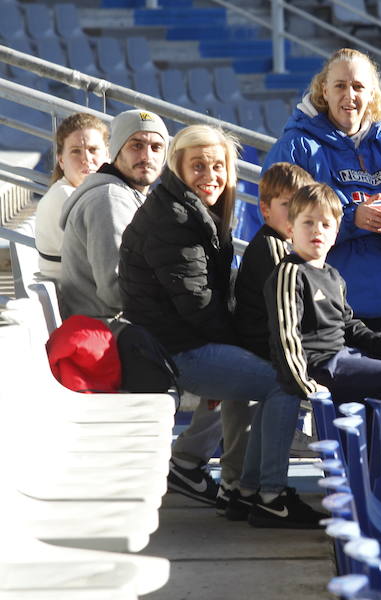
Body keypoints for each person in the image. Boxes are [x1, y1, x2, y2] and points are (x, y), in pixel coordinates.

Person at [117, 125, 275, 521]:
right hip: (174, 351)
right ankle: (260, 492)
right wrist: (240, 352)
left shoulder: (190, 208)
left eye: (218, 166)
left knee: (252, 374)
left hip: (178, 339)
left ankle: (233, 484)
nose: (210, 176)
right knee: (281, 382)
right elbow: (199, 306)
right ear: (178, 167)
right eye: (198, 166)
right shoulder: (173, 217)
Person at [258, 182, 381, 491]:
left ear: (336, 233)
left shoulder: (333, 275)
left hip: (341, 357)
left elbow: (350, 327)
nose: (316, 231)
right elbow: (285, 334)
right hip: (319, 366)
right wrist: (306, 384)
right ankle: (370, 462)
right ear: (291, 229)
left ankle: (379, 454)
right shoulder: (290, 272)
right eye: (307, 223)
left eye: (325, 224)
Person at [261, 48, 381, 334]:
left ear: (372, 94)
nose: (349, 95)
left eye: (358, 86)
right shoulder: (295, 146)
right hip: (322, 310)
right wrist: (351, 219)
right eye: (340, 85)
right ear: (323, 90)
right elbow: (280, 222)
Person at [59, 109, 167, 319]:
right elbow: (116, 292)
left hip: (129, 329)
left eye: (156, 147)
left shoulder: (126, 195)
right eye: (136, 145)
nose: (147, 156)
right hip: (114, 334)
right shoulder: (109, 200)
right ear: (116, 151)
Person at [234, 162, 313, 360]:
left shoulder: (289, 244)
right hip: (267, 350)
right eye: (287, 204)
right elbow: (289, 311)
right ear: (265, 208)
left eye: (300, 205)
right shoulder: (272, 247)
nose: (295, 213)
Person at [35, 112, 109, 281]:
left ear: (107, 155)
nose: (86, 159)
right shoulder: (64, 196)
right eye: (76, 151)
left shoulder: (87, 194)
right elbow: (102, 261)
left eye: (93, 150)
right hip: (79, 301)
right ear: (61, 159)